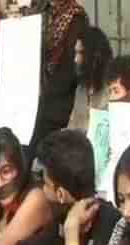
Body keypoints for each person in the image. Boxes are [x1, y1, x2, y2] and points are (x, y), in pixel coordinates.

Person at [29, 0, 88, 160]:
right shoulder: (44, 10)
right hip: (41, 86)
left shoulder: (76, 17)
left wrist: (48, 91)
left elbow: (72, 63)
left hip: (61, 93)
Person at [67, 26, 113, 132]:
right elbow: (73, 125)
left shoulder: (113, 89)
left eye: (81, 53)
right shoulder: (81, 88)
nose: (76, 59)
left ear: (96, 55)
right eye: (76, 53)